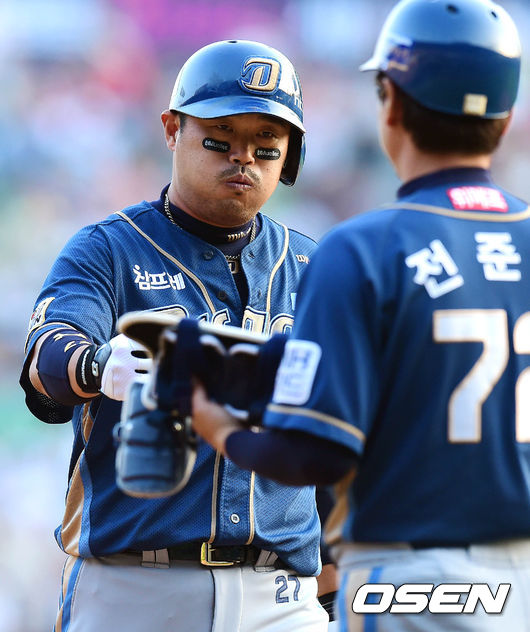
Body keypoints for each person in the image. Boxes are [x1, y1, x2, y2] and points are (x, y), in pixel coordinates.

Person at [190, 2, 530, 630]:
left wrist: (220, 429)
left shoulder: (365, 249)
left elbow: (314, 456)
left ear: (390, 103)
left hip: (414, 580)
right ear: (506, 118)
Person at [20, 40, 332, 631]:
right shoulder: (110, 248)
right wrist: (97, 366)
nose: (243, 158)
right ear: (172, 129)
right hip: (136, 587)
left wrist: (335, 593)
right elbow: (45, 359)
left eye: (266, 144)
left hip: (282, 596)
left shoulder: (316, 268)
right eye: (220, 137)